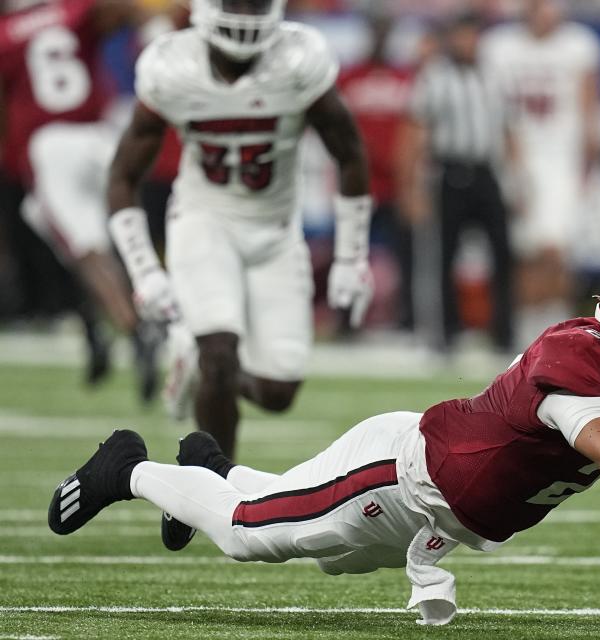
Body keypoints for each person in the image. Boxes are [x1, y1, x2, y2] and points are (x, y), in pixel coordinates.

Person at [48, 245, 600, 634]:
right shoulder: (577, 356)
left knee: (303, 544)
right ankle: (130, 468)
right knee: (250, 537)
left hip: (437, 519)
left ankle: (212, 469)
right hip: (399, 479)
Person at [105, 0, 372, 549]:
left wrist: (351, 255)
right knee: (221, 351)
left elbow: (349, 153)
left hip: (275, 232)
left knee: (278, 392)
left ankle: (197, 362)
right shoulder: (173, 66)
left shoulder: (297, 58)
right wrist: (144, 269)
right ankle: (207, 489)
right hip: (204, 221)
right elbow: (123, 176)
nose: (245, 12)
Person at [0, 0, 161, 390]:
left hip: (50, 146)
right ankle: (95, 328)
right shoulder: (73, 10)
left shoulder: (6, 35)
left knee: (83, 249)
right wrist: (154, 34)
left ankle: (134, 328)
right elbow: (123, 10)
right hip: (98, 136)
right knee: (69, 226)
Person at [480, 0, 600, 346]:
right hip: (517, 156)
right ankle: (525, 330)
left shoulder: (579, 44)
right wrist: (509, 160)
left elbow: (591, 104)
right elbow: (495, 110)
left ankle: (555, 332)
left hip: (560, 157)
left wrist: (590, 160)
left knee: (557, 248)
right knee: (524, 250)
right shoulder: (499, 46)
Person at [398, 11, 515, 353]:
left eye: (471, 36)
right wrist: (412, 187)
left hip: (486, 172)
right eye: (461, 36)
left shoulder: (494, 76)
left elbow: (508, 130)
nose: (466, 43)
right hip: (450, 173)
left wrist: (519, 180)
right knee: (444, 256)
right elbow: (416, 132)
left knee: (502, 253)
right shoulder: (435, 77)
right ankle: (446, 333)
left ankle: (503, 332)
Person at [338, 11, 415, 331]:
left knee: (406, 255)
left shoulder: (406, 78)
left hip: (397, 183)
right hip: (360, 182)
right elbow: (336, 128)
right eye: (377, 31)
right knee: (350, 255)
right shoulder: (350, 77)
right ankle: (345, 320)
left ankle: (407, 318)